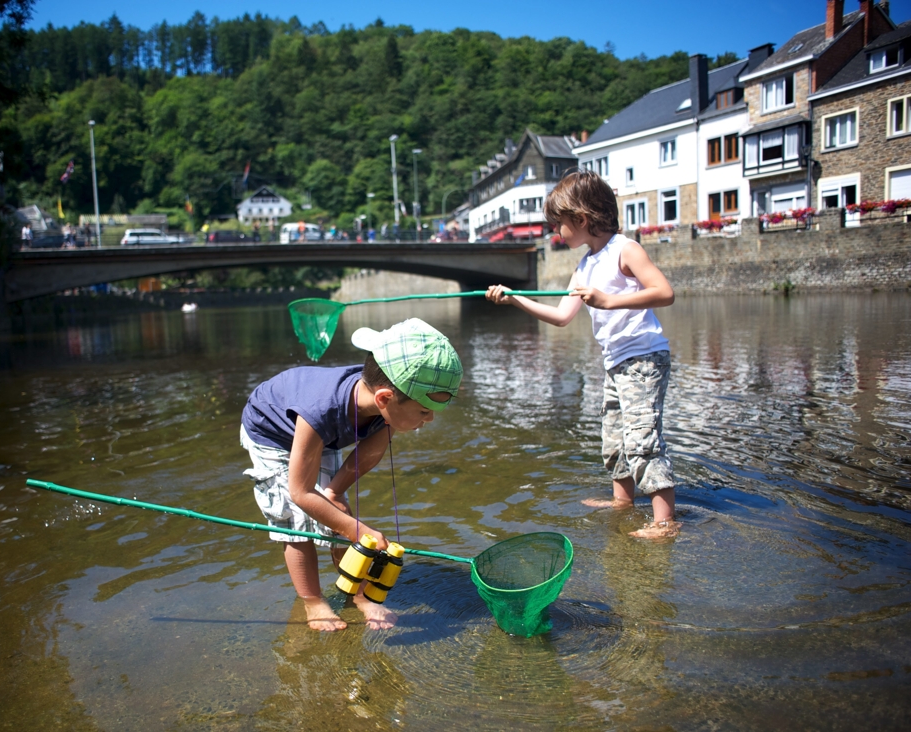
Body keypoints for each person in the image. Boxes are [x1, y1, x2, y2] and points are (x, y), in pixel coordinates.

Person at [485, 170, 678, 539]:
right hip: (616, 364)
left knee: (642, 437)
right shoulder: (585, 266)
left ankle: (665, 522)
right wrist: (514, 298)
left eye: (559, 225)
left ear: (582, 219)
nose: (556, 233)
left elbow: (664, 292)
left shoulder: (626, 249)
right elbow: (561, 316)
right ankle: (623, 502)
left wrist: (610, 300)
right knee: (614, 437)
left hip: (644, 360)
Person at [240, 318, 463, 631]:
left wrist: (334, 493)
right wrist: (355, 529)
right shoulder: (321, 409)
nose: (429, 420)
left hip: (323, 433)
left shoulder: (386, 408)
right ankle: (313, 600)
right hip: (273, 431)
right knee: (295, 522)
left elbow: (368, 455)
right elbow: (300, 492)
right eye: (424, 412)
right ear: (384, 399)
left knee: (338, 512)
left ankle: (357, 596)